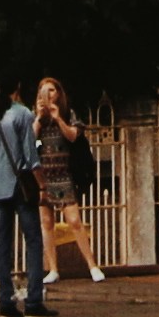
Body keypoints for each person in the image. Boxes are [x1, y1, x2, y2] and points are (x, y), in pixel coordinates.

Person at [0, 84, 47, 317]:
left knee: (2, 245)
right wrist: (42, 185)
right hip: (20, 186)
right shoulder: (22, 114)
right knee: (33, 241)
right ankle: (34, 301)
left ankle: (5, 301)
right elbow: (30, 156)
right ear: (17, 88)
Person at [36, 78, 109, 288]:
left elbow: (73, 136)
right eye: (43, 91)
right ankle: (53, 269)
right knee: (46, 223)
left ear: (58, 94)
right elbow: (31, 141)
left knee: (74, 220)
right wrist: (40, 119)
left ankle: (92, 265)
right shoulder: (37, 118)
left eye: (51, 91)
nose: (47, 95)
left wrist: (59, 119)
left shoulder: (69, 114)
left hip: (63, 175)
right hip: (44, 177)